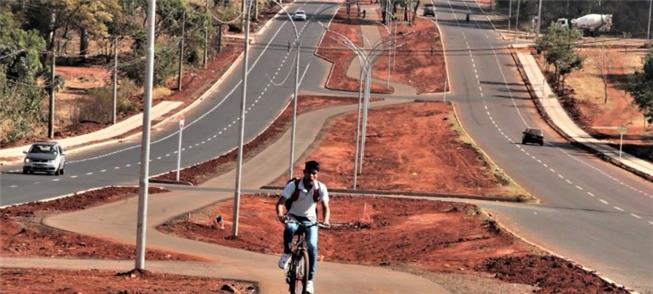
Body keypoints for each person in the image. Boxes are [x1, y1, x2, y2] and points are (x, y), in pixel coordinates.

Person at [276, 160, 330, 294]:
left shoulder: (320, 188)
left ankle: (310, 280)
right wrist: (281, 215)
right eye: (309, 173)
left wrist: (326, 220)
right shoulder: (293, 185)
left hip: (311, 220)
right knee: (289, 229)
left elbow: (325, 207)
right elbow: (280, 203)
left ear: (317, 174)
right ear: (304, 172)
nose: (311, 176)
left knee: (312, 246)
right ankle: (287, 253)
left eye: (314, 173)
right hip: (293, 216)